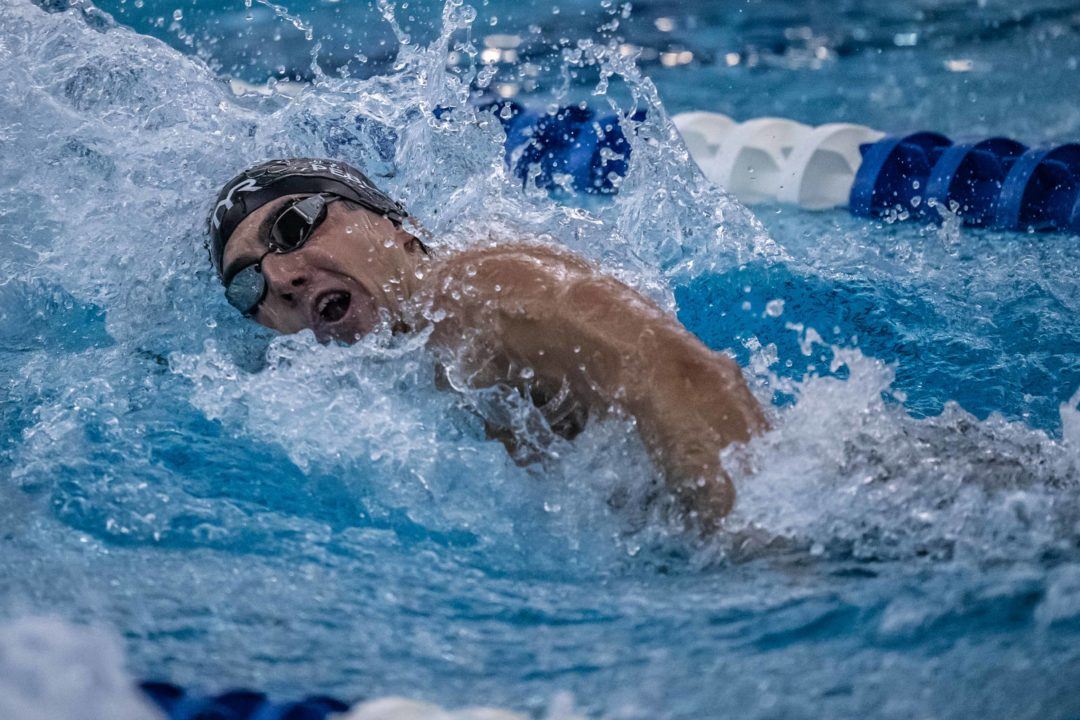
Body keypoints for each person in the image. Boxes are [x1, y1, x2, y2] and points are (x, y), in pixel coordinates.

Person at [208, 158, 766, 531]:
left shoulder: (480, 292)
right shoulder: (369, 383)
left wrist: (756, 552)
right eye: (247, 284)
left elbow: (681, 376)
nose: (280, 278)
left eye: (293, 227)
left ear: (398, 226)